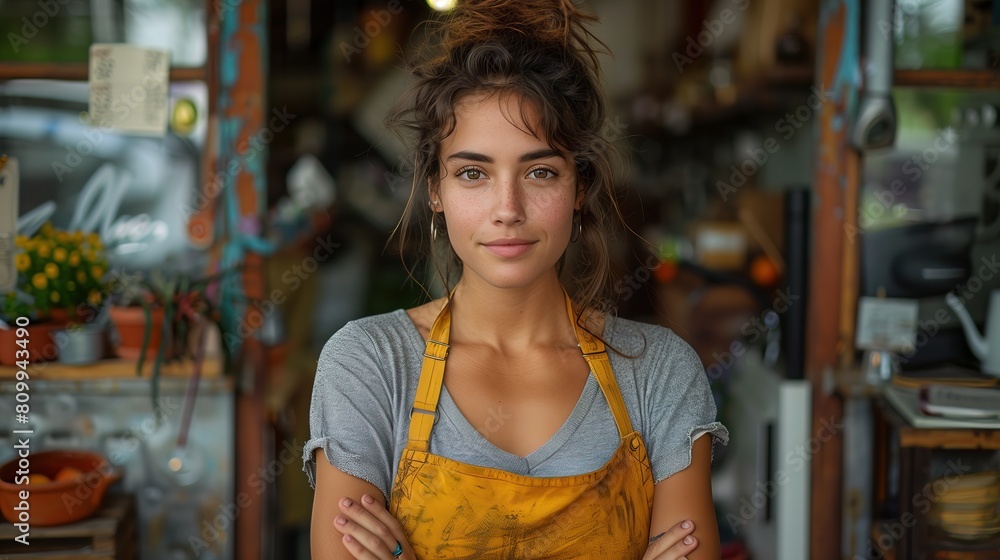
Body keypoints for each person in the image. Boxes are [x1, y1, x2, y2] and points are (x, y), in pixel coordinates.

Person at [303, 1, 729, 558]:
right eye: (473, 173)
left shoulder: (659, 372)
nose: (508, 208)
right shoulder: (368, 365)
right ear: (436, 189)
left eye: (540, 172)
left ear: (580, 189)